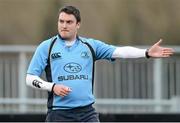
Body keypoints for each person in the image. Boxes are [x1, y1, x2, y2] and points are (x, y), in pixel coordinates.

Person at [26, 5, 174, 122]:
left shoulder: (90, 46)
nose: (64, 25)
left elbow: (120, 52)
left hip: (87, 113)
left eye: (69, 22)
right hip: (59, 114)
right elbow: (30, 78)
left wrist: (146, 52)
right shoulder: (47, 47)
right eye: (61, 21)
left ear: (78, 24)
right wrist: (52, 86)